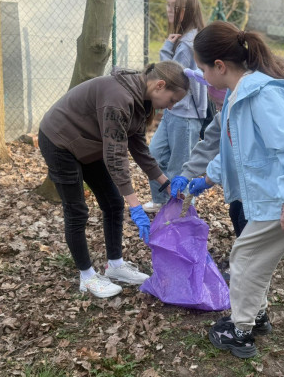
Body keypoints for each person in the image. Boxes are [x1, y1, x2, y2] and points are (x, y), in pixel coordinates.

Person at [187, 21, 284, 359]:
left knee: (245, 257)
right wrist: (206, 178)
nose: (203, 76)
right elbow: (237, 152)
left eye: (202, 68)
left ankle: (240, 332)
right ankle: (257, 317)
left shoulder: (261, 95)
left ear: (220, 66)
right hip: (283, 189)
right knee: (258, 258)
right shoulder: (242, 95)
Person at [38, 62, 189, 298]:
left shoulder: (141, 102)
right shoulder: (118, 98)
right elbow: (116, 157)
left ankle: (115, 265)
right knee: (77, 211)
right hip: (60, 141)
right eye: (171, 100)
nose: (169, 107)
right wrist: (136, 206)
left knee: (113, 203)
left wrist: (165, 183)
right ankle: (87, 277)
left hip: (88, 144)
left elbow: (138, 148)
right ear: (160, 85)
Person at [143, 0, 208, 213]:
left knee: (180, 166)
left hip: (186, 115)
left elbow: (171, 76)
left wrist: (165, 50)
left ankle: (179, 210)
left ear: (186, 11)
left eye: (173, 7)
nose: (168, 10)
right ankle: (163, 201)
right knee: (154, 155)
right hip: (175, 112)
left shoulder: (189, 43)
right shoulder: (185, 39)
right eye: (168, 5)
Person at [170, 70, 247, 240]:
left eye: (221, 104)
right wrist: (186, 174)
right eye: (216, 105)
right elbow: (208, 145)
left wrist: (208, 179)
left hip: (262, 184)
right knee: (235, 211)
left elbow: (235, 154)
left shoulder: (244, 113)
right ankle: (245, 259)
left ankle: (249, 263)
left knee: (246, 219)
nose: (218, 110)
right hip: (243, 182)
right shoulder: (223, 115)